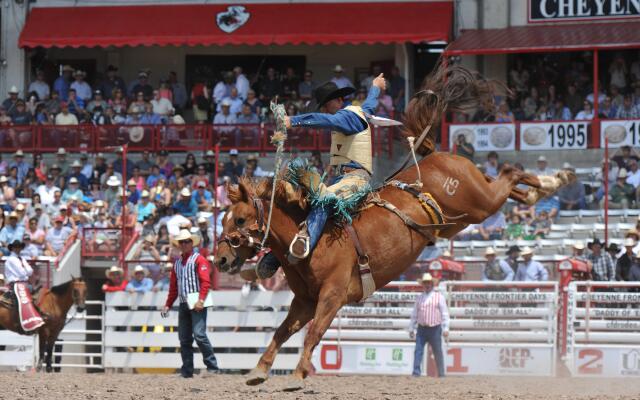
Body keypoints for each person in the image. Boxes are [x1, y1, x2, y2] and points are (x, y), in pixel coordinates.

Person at [283, 74, 386, 265]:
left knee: (323, 200)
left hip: (355, 180)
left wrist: (294, 120)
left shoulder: (347, 116)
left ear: (339, 100)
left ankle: (304, 239)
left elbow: (326, 121)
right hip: (345, 180)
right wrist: (375, 87)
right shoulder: (358, 113)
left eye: (325, 105)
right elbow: (370, 104)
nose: (323, 110)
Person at [162, 229, 219, 378]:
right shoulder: (177, 264)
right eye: (182, 242)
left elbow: (206, 282)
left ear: (191, 243)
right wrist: (168, 304)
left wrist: (201, 300)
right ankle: (187, 371)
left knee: (199, 335)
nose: (184, 244)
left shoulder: (199, 259)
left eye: (187, 241)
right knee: (184, 338)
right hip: (184, 301)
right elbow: (173, 287)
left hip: (196, 299)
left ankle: (212, 367)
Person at [408, 273, 449, 377]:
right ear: (423, 284)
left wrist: (446, 328)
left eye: (429, 283)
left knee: (437, 352)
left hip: (435, 328)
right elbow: (414, 314)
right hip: (422, 328)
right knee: (418, 351)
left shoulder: (439, 297)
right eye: (425, 283)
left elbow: (444, 313)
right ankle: (416, 372)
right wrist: (411, 328)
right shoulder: (419, 298)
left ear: (432, 284)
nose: (427, 285)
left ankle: (441, 373)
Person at [3, 240, 44, 331]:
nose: (18, 249)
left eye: (19, 247)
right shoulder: (11, 259)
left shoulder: (21, 259)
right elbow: (23, 273)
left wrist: (25, 272)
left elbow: (30, 271)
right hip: (16, 284)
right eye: (16, 247)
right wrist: (26, 272)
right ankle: (23, 318)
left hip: (24, 283)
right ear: (12, 248)